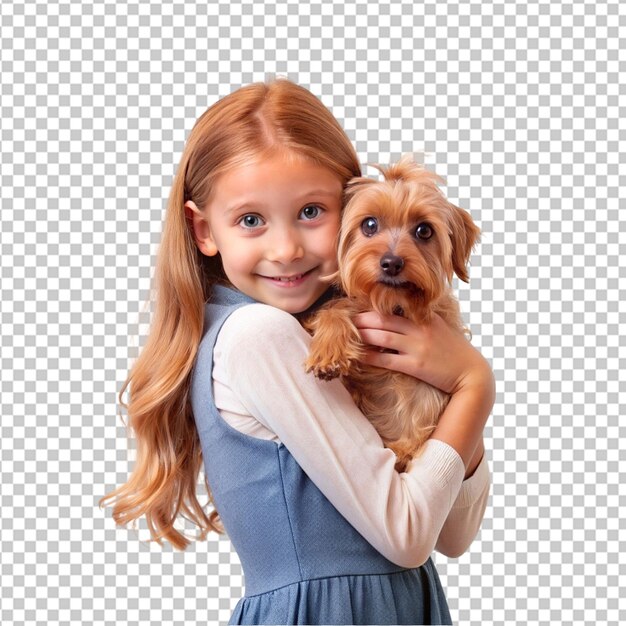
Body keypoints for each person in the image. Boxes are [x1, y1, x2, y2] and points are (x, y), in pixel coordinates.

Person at [100, 78, 495, 625]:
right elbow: (408, 536)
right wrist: (474, 386)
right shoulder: (259, 336)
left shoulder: (340, 331)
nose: (285, 249)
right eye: (250, 220)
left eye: (312, 212)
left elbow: (451, 535)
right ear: (203, 229)